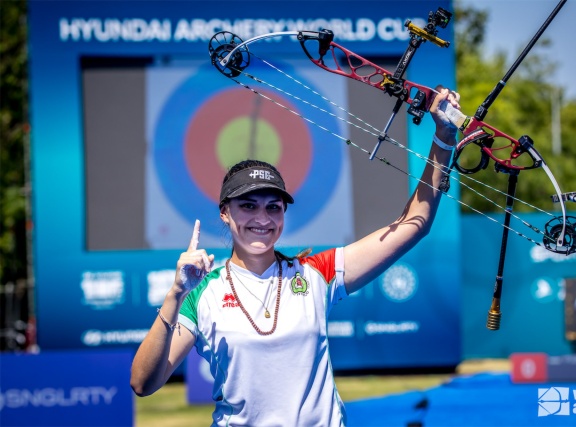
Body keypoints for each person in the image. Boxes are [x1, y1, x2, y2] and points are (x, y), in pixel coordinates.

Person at [130, 88, 461, 426]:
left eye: (273, 207)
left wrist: (444, 137)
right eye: (248, 206)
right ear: (225, 213)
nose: (262, 218)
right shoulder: (200, 294)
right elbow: (143, 383)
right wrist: (176, 294)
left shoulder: (317, 272)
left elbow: (412, 226)